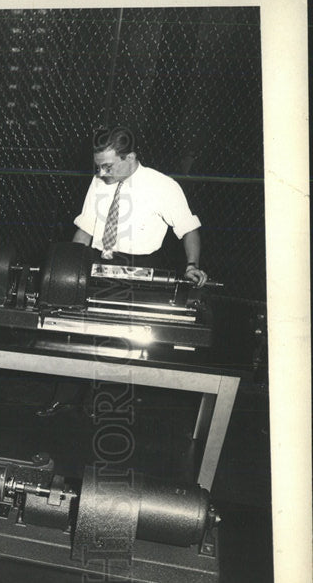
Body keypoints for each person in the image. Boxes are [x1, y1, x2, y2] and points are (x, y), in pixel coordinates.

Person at [37, 126, 208, 416]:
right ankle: (65, 397)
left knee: (121, 339)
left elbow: (189, 230)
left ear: (130, 158)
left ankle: (104, 406)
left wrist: (192, 265)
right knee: (77, 330)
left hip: (138, 267)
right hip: (97, 261)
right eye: (98, 166)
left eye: (108, 165)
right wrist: (67, 268)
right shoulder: (99, 181)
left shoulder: (163, 186)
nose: (102, 172)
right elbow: (85, 229)